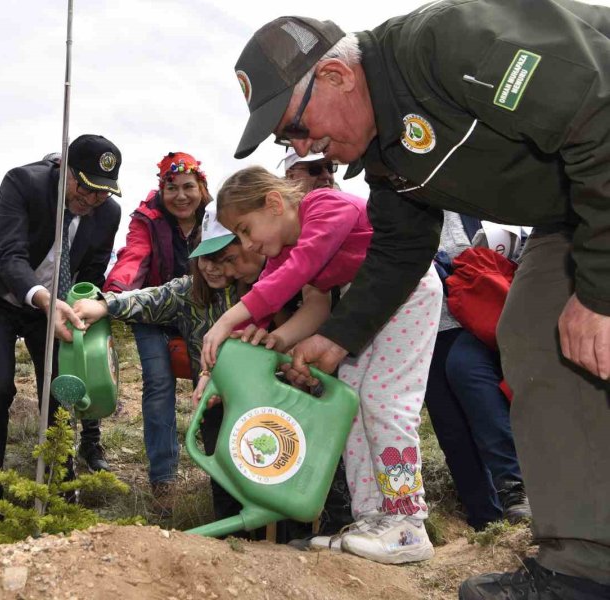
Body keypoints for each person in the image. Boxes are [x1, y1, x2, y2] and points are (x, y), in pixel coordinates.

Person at [232, 3, 610, 595]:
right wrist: (337, 337)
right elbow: (399, 250)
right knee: (535, 330)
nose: (304, 147)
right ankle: (585, 569)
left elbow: (596, 108)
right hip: (574, 213)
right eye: (288, 140)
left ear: (335, 76)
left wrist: (600, 290)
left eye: (295, 127)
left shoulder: (447, 44)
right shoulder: (386, 154)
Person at [202, 167, 441, 565]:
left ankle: (407, 520)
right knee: (347, 406)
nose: (247, 243)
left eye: (246, 229)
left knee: (384, 401)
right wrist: (262, 343)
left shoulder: (327, 207)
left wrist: (225, 321)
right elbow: (272, 299)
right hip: (361, 307)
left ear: (274, 204)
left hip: (408, 292)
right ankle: (372, 519)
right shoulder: (286, 247)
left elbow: (296, 272)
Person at [0, 135, 122, 500]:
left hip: (55, 305)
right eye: (86, 188)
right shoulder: (23, 183)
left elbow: (92, 274)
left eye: (102, 193)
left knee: (62, 385)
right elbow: (9, 255)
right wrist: (43, 298)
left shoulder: (107, 213)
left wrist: (81, 307)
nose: (91, 200)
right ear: (66, 170)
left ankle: (62, 480)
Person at [102, 152, 209, 508]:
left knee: (209, 382)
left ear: (201, 187)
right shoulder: (146, 220)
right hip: (152, 313)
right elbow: (133, 257)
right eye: (171, 187)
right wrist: (116, 294)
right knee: (158, 383)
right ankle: (163, 479)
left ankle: (222, 470)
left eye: (188, 187)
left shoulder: (215, 218)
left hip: (198, 309)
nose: (181, 196)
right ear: (161, 189)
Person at [426, 211, 530, 530]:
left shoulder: (479, 201)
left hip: (485, 318)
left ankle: (516, 489)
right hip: (432, 330)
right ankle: (487, 522)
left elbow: (525, 250)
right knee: (451, 428)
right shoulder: (399, 210)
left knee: (470, 375)